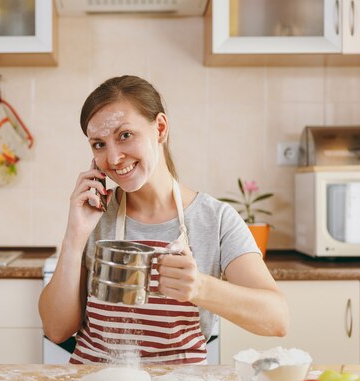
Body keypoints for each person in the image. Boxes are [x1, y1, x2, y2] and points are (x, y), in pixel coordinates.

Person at [39, 75, 289, 364]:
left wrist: (200, 288)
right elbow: (56, 330)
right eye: (98, 144)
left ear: (160, 128)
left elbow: (276, 319)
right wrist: (75, 237)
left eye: (124, 135)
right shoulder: (94, 217)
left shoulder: (215, 220)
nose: (114, 157)